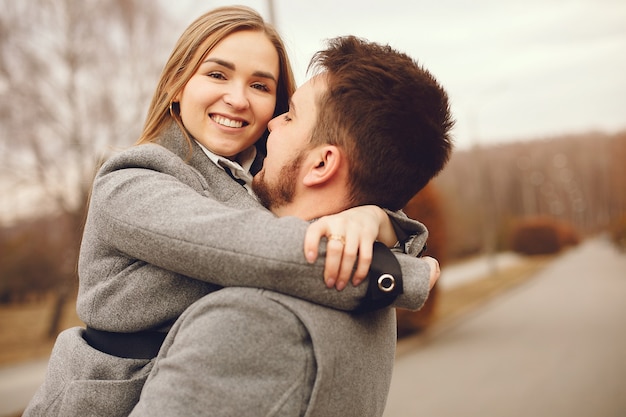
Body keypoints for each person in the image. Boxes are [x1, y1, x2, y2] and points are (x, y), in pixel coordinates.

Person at [24, 7, 440, 417]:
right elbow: (256, 251)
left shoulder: (260, 185)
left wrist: (379, 220)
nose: (237, 98)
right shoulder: (133, 180)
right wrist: (396, 271)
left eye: (260, 86)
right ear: (177, 85)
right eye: (217, 74)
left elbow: (348, 190)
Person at [129, 35, 454, 417]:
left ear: (321, 164)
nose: (272, 123)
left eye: (291, 115)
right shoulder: (371, 299)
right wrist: (381, 221)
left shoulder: (251, 320)